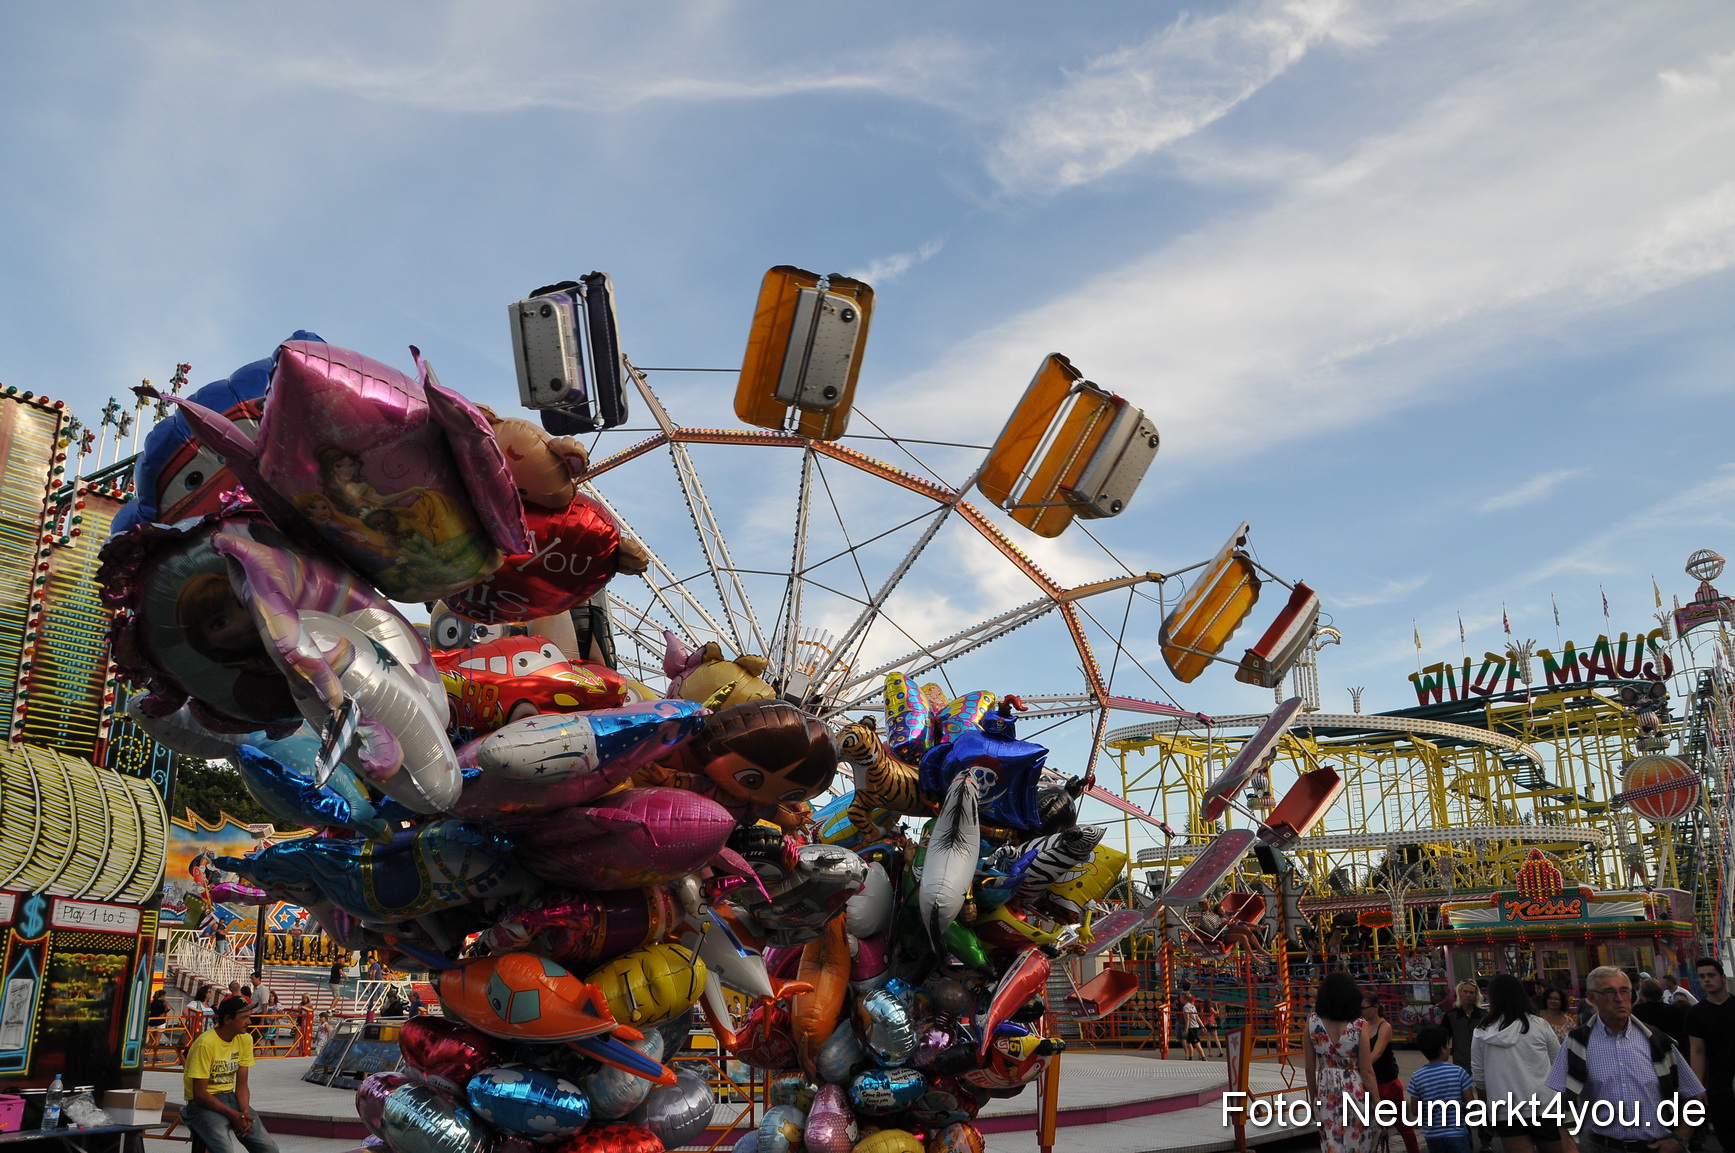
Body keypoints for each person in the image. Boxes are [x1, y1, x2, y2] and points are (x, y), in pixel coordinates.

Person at [1544, 964, 1704, 1153]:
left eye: (1624, 991)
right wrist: (1567, 1141)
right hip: (1601, 1147)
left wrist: (1679, 1139)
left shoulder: (1656, 1041)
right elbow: (1557, 1100)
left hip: (1656, 1146)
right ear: (1592, 998)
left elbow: (1695, 1096)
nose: (1620, 999)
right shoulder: (1578, 1043)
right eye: (1610, 992)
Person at [1471, 973, 1562, 1153]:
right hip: (1543, 1104)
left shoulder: (1481, 1032)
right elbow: (1559, 1063)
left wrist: (1485, 1111)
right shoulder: (1539, 1025)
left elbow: (1479, 1077)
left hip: (1505, 1108)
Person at [183, 995, 281, 1153]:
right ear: (228, 1019)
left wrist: (244, 1114)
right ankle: (189, 1115)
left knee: (269, 1149)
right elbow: (199, 1094)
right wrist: (233, 1115)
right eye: (244, 1018)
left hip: (231, 1098)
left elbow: (242, 1084)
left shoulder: (245, 1039)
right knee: (224, 1149)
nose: (249, 1022)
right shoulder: (205, 1044)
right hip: (203, 1103)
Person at [1306, 972, 1378, 1153]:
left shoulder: (1312, 1021)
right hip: (1354, 1087)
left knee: (1331, 1140)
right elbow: (1367, 1070)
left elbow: (1309, 1066)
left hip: (1325, 1089)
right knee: (1357, 1140)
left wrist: (1314, 1096)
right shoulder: (1360, 1025)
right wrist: (1378, 1104)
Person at [1364, 990, 1421, 1153]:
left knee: (1402, 1124)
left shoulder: (1385, 1026)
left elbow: (1378, 1052)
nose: (1361, 1011)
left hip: (1387, 1080)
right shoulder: (1362, 1025)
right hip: (1371, 1080)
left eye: (1364, 1008)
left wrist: (1360, 1066)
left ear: (1375, 1007)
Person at [1407, 1025, 1478, 1153]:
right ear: (1442, 1049)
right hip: (1457, 1134)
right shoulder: (1458, 1072)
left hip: (1432, 1136)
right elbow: (1472, 1106)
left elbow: (1415, 1110)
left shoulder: (1417, 1076)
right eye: (1447, 1045)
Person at [1634, 977, 1689, 1048]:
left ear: (1643, 995)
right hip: (1672, 1048)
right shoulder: (1673, 1010)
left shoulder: (1637, 1010)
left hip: (1649, 1049)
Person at [1179, 993, 1203, 1060]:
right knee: (1188, 1042)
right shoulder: (1192, 1006)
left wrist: (1186, 1029)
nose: (1180, 999)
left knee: (1196, 1042)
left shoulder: (1185, 1007)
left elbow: (1187, 1019)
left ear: (1185, 999)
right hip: (1195, 1025)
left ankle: (1203, 1056)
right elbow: (1197, 1016)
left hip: (1191, 1027)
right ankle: (1190, 1056)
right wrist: (1202, 1026)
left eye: (1182, 998)